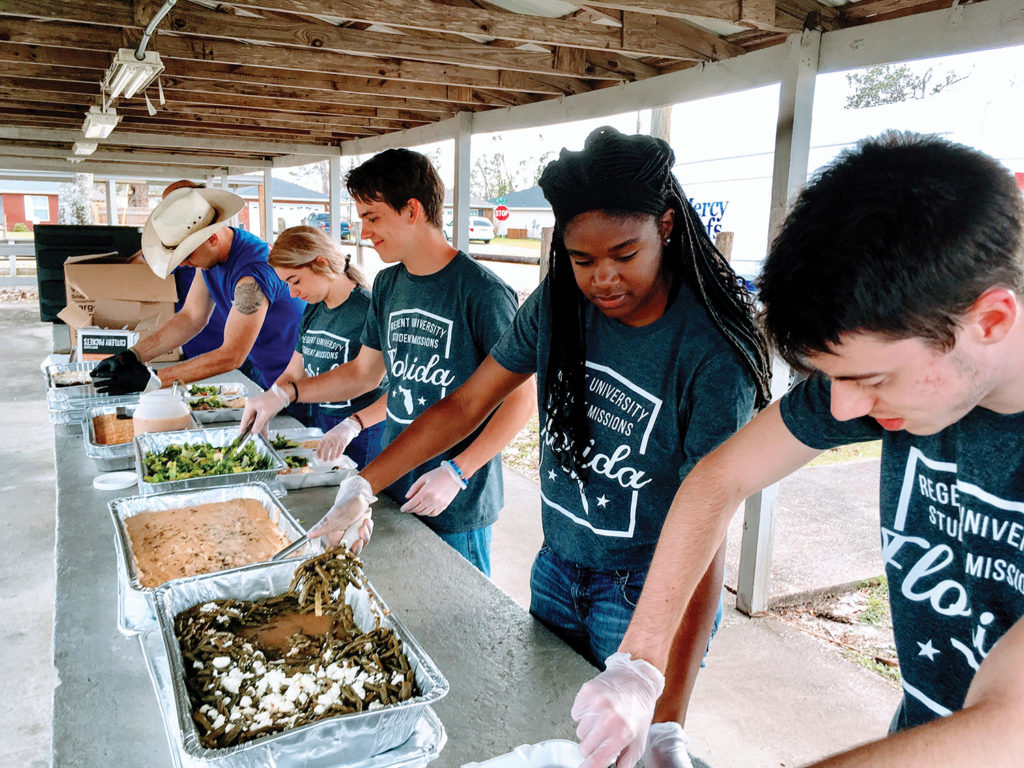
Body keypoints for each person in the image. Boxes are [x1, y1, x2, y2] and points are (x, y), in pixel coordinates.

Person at [311, 126, 772, 758]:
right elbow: (468, 401)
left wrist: (667, 713)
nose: (603, 278)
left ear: (666, 226)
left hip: (644, 589)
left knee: (626, 749)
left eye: (624, 253)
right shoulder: (557, 304)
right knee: (550, 723)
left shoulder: (712, 353)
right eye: (582, 260)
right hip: (558, 566)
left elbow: (709, 523)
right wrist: (364, 484)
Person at [572, 132, 1024, 768]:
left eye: (869, 380)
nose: (841, 410)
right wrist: (639, 665)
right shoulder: (902, 376)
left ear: (992, 321)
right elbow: (717, 479)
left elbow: (1007, 726)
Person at [240, 148, 536, 575]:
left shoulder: (482, 292)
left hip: (454, 497)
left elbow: (522, 401)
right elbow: (364, 373)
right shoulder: (388, 284)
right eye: (361, 219)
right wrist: (284, 394)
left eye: (372, 217)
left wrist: (457, 472)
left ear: (411, 210)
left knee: (458, 620)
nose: (364, 232)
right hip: (393, 475)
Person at [91, 186, 304, 393]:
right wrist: (132, 355)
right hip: (273, 377)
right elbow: (191, 317)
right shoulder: (210, 258)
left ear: (211, 238)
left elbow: (232, 355)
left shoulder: (252, 276)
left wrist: (153, 379)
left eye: (186, 256)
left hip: (303, 382)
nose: (183, 265)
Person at [266, 225, 388, 469]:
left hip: (364, 432)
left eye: (295, 281)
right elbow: (294, 372)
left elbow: (392, 386)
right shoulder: (313, 308)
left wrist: (353, 425)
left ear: (321, 263)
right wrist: (269, 403)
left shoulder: (368, 309)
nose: (292, 293)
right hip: (323, 424)